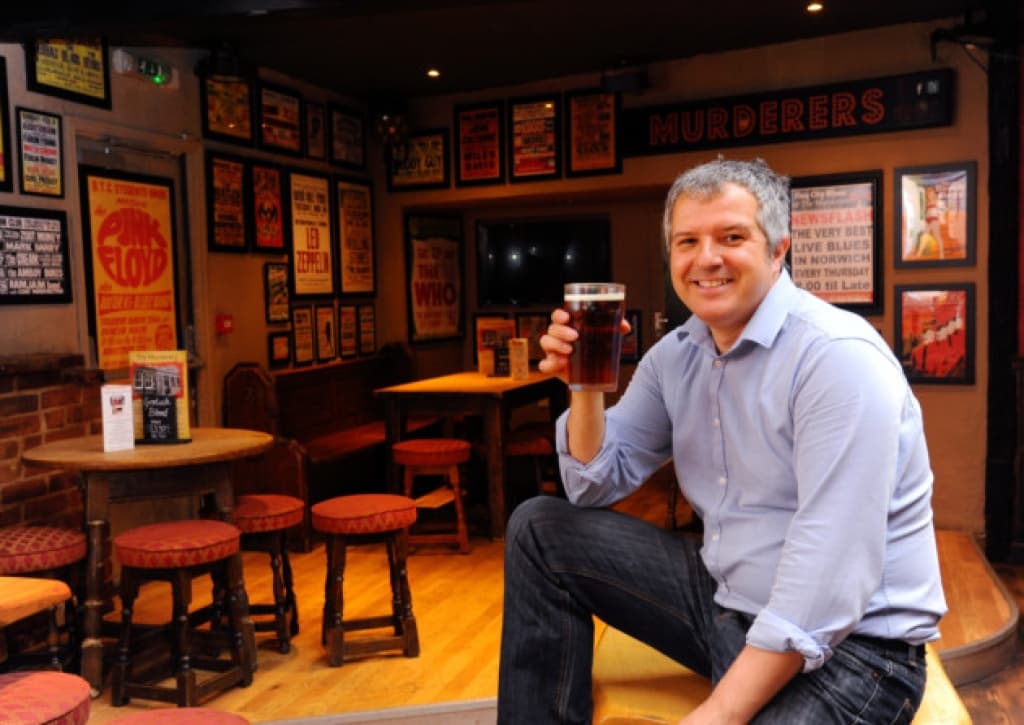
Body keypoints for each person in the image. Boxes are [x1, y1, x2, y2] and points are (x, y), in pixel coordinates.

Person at [497, 157, 946, 724]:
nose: (706, 258)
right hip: (726, 601)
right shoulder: (676, 357)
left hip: (855, 651)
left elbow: (825, 581)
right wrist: (582, 387)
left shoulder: (835, 358)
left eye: (731, 237)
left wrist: (719, 713)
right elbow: (591, 486)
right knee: (539, 528)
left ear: (779, 248)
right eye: (687, 241)